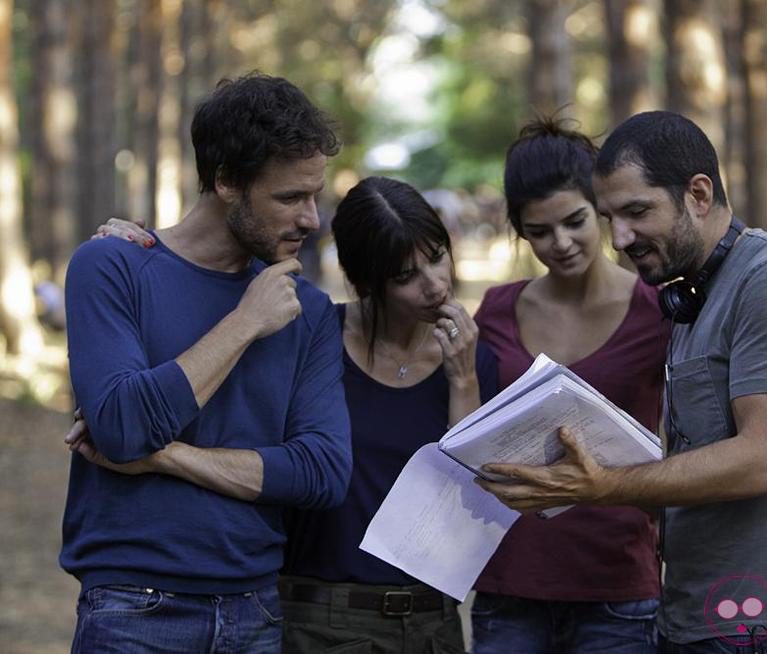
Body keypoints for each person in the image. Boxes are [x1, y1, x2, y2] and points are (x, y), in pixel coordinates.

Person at [477, 111, 767, 653]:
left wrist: (602, 485)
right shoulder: (691, 299)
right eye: (610, 218)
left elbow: (765, 460)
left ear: (698, 194)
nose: (620, 238)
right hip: (695, 616)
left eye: (636, 212)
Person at [87, 176, 499, 654]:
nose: (435, 285)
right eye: (405, 276)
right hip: (313, 614)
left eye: (437, 256)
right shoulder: (313, 332)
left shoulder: (471, 360)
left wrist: (464, 381)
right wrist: (141, 248)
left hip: (431, 622)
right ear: (365, 280)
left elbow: (465, 519)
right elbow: (214, 288)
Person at [61, 73, 353, 653]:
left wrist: (165, 457)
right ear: (225, 182)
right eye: (290, 198)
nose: (311, 220)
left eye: (313, 196)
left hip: (256, 614)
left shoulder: (309, 310)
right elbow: (121, 427)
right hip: (133, 613)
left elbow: (322, 472)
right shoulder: (111, 266)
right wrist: (245, 322)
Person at [470, 117, 670, 653]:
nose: (560, 243)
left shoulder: (657, 312)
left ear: (599, 209)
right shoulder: (497, 311)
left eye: (574, 221)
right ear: (519, 230)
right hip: (510, 583)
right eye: (539, 231)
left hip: (617, 588)